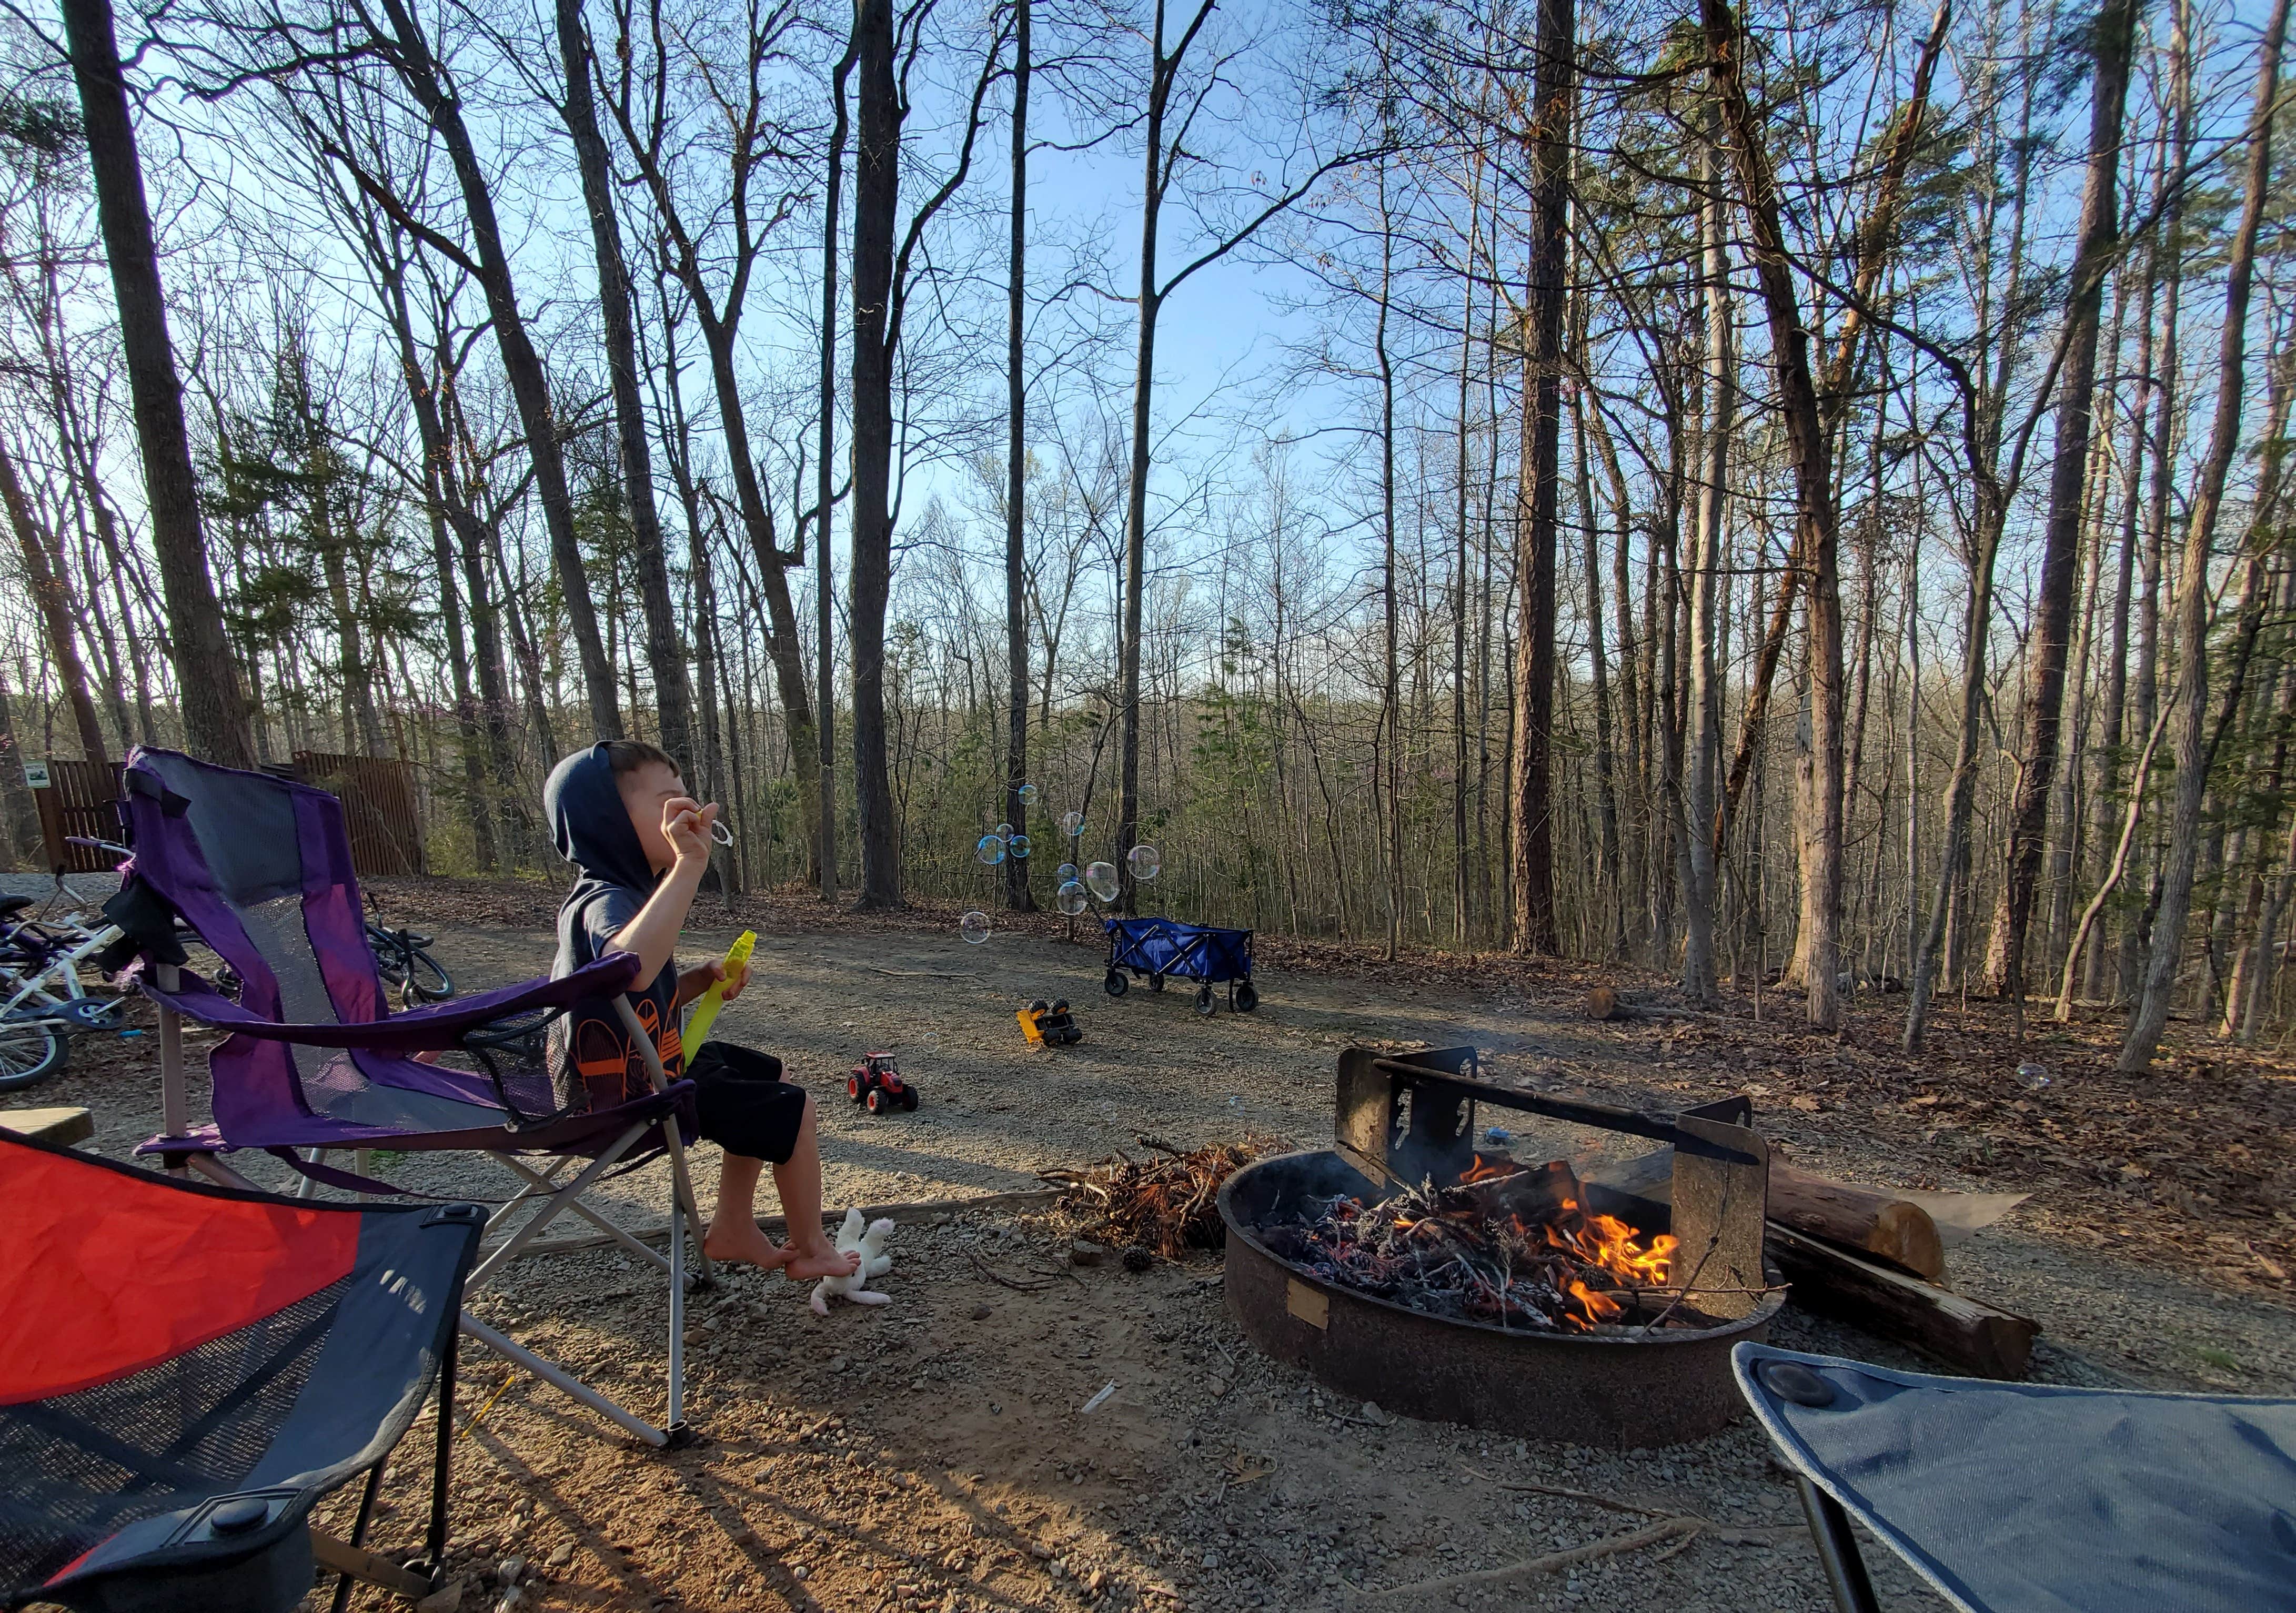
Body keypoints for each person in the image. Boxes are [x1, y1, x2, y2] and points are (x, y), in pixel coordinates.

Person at [545, 740, 859, 1282]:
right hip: (621, 1098)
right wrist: (689, 863)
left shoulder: (629, 895)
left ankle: (732, 1224)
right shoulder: (605, 898)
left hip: (648, 1070)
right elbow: (629, 968)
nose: (690, 811)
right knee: (795, 1107)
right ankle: (810, 1247)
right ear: (608, 822)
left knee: (770, 1074)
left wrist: (696, 982)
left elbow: (627, 994)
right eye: (670, 801)